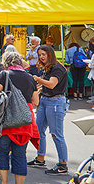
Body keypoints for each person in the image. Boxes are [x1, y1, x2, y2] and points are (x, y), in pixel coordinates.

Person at [0, 52, 40, 184]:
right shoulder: (29, 78)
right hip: (24, 122)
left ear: (6, 63)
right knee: (20, 155)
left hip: (5, 121)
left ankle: (4, 182)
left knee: (2, 153)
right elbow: (35, 102)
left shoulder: (4, 75)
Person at [30, 45, 69, 175]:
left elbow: (52, 84)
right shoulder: (49, 68)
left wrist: (37, 79)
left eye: (43, 54)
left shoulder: (57, 68)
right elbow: (46, 84)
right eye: (40, 54)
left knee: (56, 134)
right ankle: (40, 158)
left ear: (50, 54)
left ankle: (63, 164)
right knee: (38, 130)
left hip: (55, 102)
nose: (41, 57)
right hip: (45, 100)